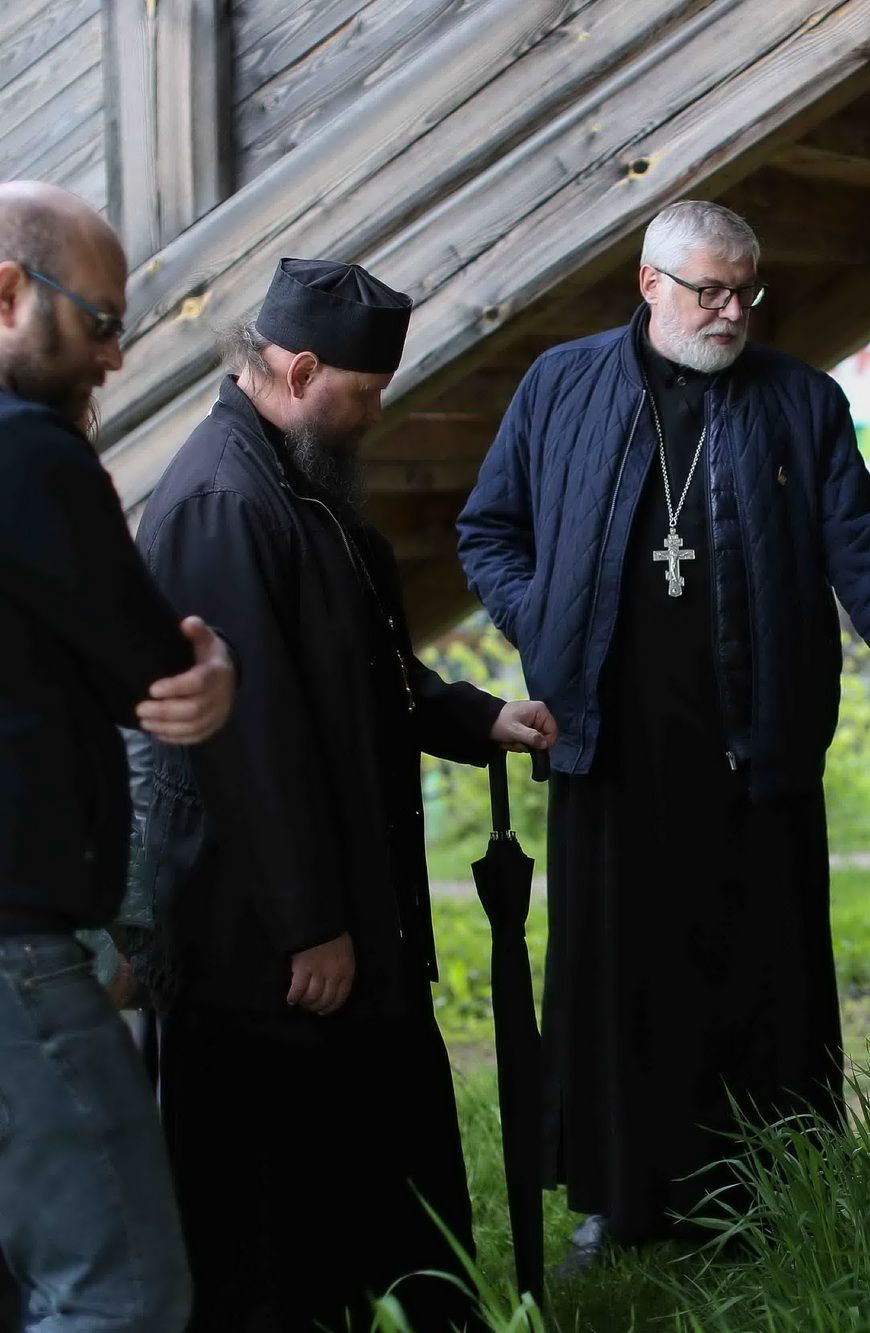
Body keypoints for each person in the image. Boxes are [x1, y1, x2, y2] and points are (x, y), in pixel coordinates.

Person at [457, 199, 870, 1267]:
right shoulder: (561, 384)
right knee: (618, 984)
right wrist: (544, 621)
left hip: (751, 749)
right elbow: (488, 529)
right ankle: (617, 1203)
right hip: (608, 753)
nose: (731, 312)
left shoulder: (800, 402)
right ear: (650, 284)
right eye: (709, 291)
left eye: (745, 292)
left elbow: (868, 560)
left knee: (755, 985)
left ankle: (767, 1199)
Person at [134, 257, 557, 1330]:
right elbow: (247, 740)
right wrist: (307, 925)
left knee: (371, 1152)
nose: (374, 415)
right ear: (300, 370)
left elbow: (358, 667)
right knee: (272, 1203)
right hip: (259, 938)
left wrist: (474, 718)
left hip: (334, 911)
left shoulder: (295, 480)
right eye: (363, 394)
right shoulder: (224, 500)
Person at [0, 180, 236, 1332]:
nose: (113, 355)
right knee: (120, 1293)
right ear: (7, 293)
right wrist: (211, 667)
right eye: (98, 320)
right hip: (12, 950)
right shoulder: (27, 450)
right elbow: (157, 675)